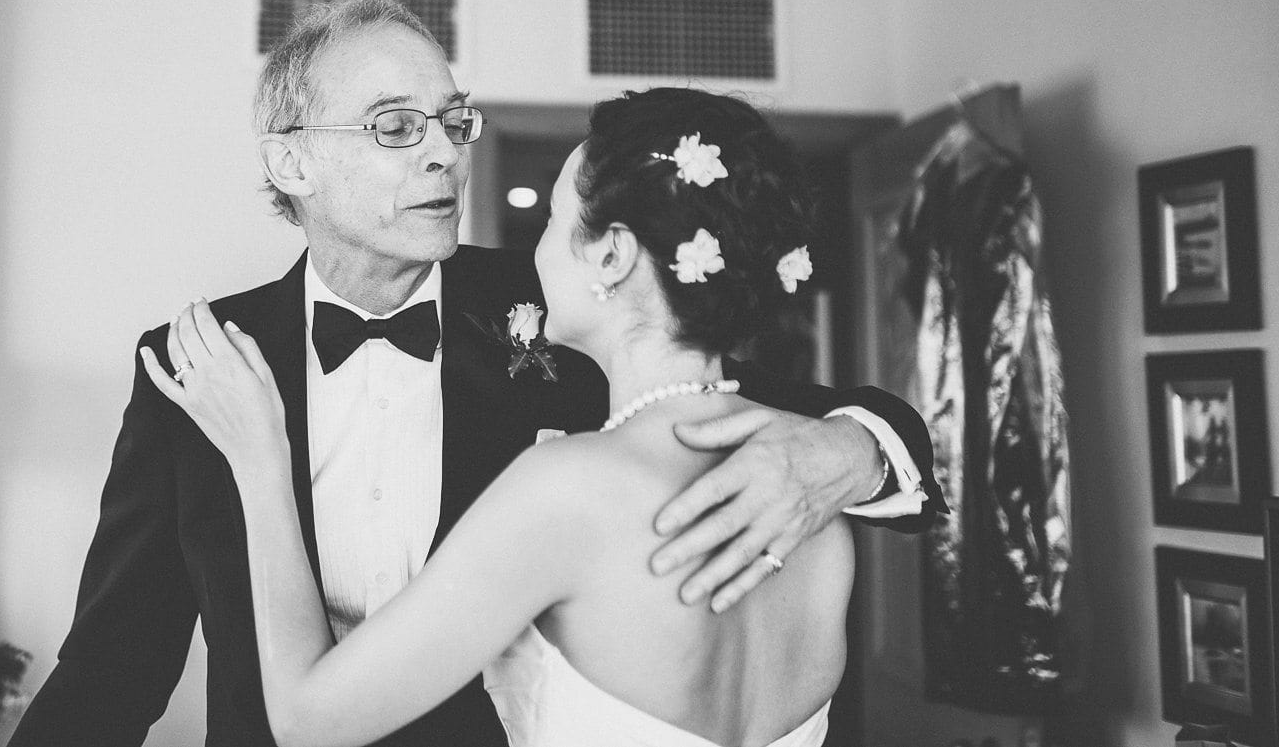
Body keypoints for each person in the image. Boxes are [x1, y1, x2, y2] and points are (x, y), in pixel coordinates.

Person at [10, 0, 941, 747]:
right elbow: (115, 660)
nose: (443, 151)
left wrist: (850, 452)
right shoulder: (200, 364)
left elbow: (825, 415)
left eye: (453, 120)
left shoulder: (569, 320)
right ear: (290, 159)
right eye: (395, 125)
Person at [149, 87, 861, 746]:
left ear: (610, 254)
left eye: (552, 221)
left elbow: (308, 721)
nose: (535, 250)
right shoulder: (818, 509)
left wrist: (260, 457)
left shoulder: (569, 488)